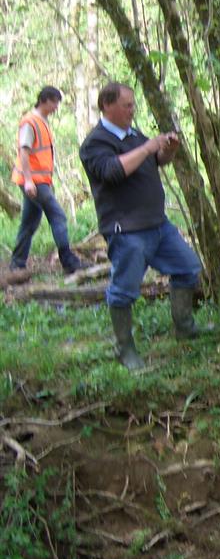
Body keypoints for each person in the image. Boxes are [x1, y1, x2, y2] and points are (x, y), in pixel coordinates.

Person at [79, 82, 203, 371]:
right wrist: (147, 147)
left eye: (133, 105)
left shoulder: (134, 134)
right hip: (126, 230)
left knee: (187, 267)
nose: (132, 110)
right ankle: (124, 348)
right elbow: (113, 171)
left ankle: (184, 327)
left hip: (158, 225)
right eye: (127, 105)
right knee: (124, 290)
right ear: (107, 105)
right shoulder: (95, 143)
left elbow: (155, 161)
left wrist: (167, 151)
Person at [9, 86, 81, 274]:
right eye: (54, 102)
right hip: (33, 181)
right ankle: (69, 262)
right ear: (44, 101)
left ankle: (17, 264)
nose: (56, 107)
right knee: (58, 216)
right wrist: (28, 180)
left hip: (39, 180)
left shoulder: (42, 121)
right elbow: (24, 151)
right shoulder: (30, 122)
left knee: (30, 222)